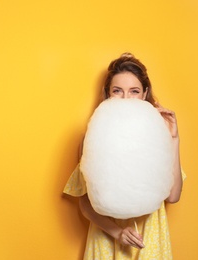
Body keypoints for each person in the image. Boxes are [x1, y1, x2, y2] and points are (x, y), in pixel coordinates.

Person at [63, 52, 186, 259]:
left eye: (134, 91)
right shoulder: (91, 138)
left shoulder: (159, 136)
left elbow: (173, 196)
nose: (126, 99)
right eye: (117, 91)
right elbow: (85, 203)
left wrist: (173, 138)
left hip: (149, 239)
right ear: (108, 93)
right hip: (106, 239)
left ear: (145, 94)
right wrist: (117, 232)